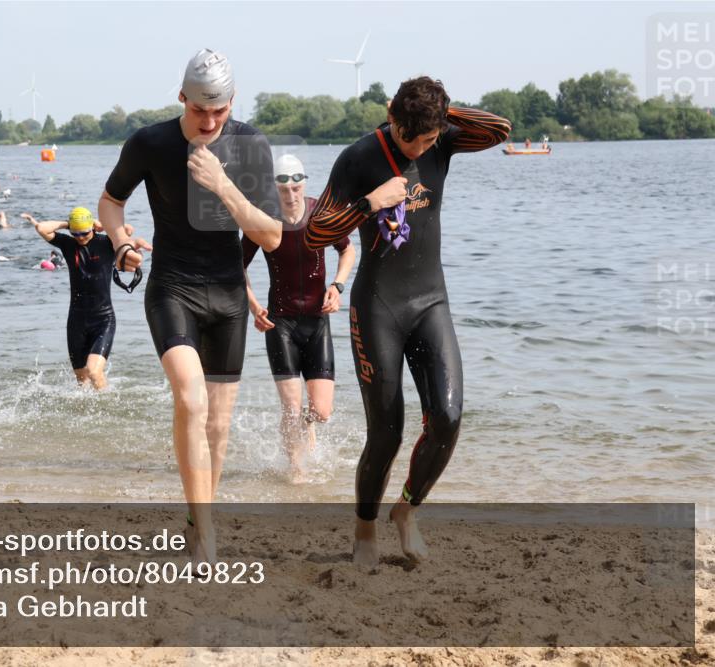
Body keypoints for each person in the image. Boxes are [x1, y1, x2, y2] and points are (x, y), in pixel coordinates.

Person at [305, 76, 510, 564]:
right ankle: (364, 531)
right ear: (392, 119)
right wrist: (370, 203)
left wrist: (443, 115)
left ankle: (408, 510)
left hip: (430, 301)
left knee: (449, 417)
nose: (421, 147)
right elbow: (315, 234)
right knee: (387, 431)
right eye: (412, 137)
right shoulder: (359, 158)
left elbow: (500, 130)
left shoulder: (441, 139)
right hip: (379, 306)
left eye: (429, 138)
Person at [98, 48, 281, 563]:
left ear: (231, 102)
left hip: (228, 295)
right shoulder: (150, 142)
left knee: (219, 426)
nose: (208, 121)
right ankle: (209, 539)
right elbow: (110, 202)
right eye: (199, 110)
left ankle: (197, 522)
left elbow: (270, 238)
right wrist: (121, 244)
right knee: (191, 402)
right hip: (172, 287)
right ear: (181, 97)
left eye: (218, 111)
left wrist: (222, 183)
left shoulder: (249, 145)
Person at [243, 154, 355, 483]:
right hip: (280, 323)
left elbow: (347, 249)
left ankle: (304, 427)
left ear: (303, 183)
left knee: (320, 412)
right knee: (291, 407)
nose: (290, 194)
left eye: (296, 186)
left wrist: (337, 285)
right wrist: (252, 304)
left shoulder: (320, 212)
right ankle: (296, 468)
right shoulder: (262, 220)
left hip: (317, 321)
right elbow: (237, 266)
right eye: (282, 188)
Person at [25, 208, 126, 390]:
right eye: (75, 233)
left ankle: (106, 407)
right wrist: (67, 224)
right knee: (82, 381)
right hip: (77, 320)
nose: (80, 237)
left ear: (92, 228)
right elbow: (41, 228)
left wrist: (102, 224)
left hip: (103, 318)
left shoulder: (106, 242)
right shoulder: (69, 245)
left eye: (84, 232)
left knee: (94, 372)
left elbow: (127, 231)